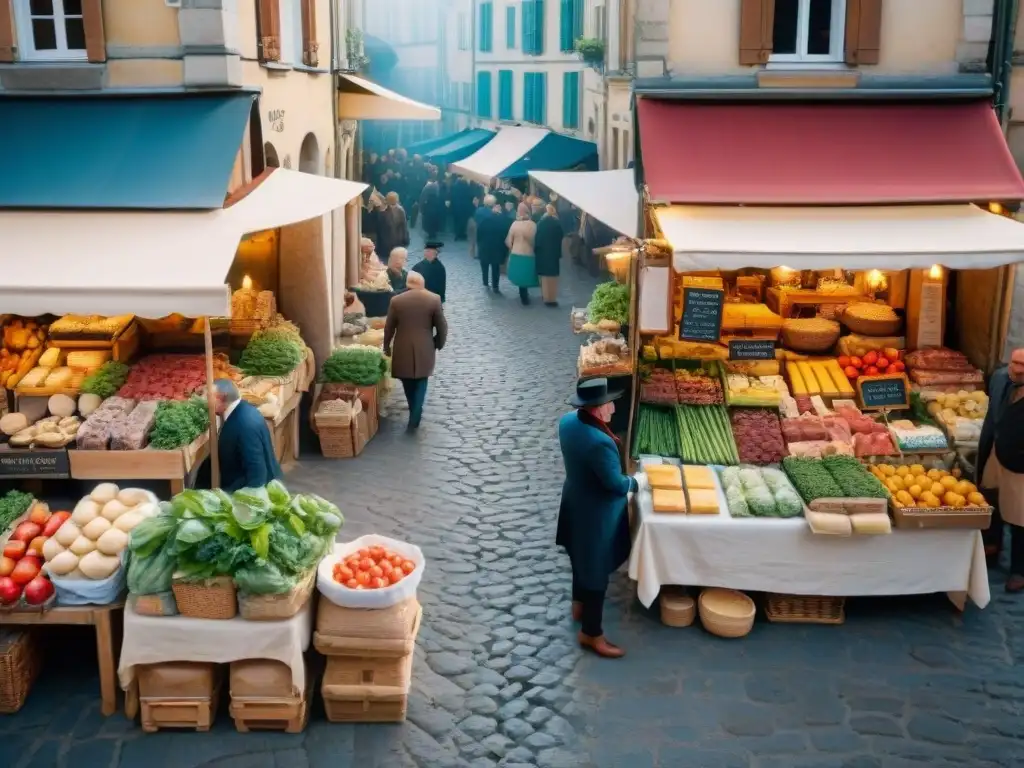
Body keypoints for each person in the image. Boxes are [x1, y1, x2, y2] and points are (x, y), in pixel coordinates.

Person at [556, 378, 639, 659]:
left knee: (578, 556)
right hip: (596, 514)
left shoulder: (568, 422)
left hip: (574, 501)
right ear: (596, 409)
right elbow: (615, 484)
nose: (613, 409)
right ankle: (591, 633)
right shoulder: (600, 443)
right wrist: (636, 483)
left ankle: (578, 604)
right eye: (609, 404)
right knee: (595, 569)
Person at [979, 348, 1024, 592]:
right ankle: (992, 545)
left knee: (1020, 516)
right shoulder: (999, 379)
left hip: (1020, 464)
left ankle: (1019, 569)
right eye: (1014, 363)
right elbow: (992, 414)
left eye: (1023, 366)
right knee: (990, 497)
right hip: (996, 451)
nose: (1017, 369)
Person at [383, 272, 447, 430]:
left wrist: (386, 346)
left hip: (402, 345)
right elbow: (442, 326)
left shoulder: (396, 301)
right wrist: (437, 343)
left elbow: (389, 327)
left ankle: (413, 410)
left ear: (408, 284)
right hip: (424, 346)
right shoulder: (434, 299)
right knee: (421, 381)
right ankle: (415, 414)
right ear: (422, 283)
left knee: (407, 381)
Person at [214, 379, 282, 493]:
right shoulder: (243, 409)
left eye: (209, 397)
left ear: (222, 398)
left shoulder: (244, 424)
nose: (205, 402)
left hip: (254, 494)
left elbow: (257, 472)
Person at [506, 202, 539, 305]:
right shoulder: (533, 225)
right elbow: (535, 241)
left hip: (516, 253)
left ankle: (523, 295)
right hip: (528, 254)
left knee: (520, 276)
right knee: (527, 275)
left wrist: (512, 249)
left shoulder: (514, 224)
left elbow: (508, 241)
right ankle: (525, 297)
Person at [535, 203, 564, 307]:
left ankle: (546, 297)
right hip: (554, 253)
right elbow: (561, 236)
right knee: (553, 277)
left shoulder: (540, 223)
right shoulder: (557, 223)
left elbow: (537, 239)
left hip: (542, 253)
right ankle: (552, 298)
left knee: (544, 277)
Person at [475, 198, 505, 293]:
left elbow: (479, 233)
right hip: (496, 247)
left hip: (484, 246)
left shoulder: (484, 220)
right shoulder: (501, 221)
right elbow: (504, 234)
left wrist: (479, 242)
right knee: (495, 267)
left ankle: (485, 282)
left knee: (484, 265)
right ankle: (495, 286)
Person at [377, 191, 410, 266]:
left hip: (388, 240)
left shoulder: (383, 210)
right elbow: (404, 226)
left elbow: (379, 226)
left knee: (387, 259)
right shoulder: (399, 209)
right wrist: (405, 238)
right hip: (395, 239)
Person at [420, 175, 444, 239]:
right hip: (434, 207)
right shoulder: (437, 187)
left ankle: (430, 233)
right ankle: (433, 233)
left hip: (428, 207)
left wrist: (422, 208)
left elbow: (422, 198)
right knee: (434, 221)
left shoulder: (427, 187)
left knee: (429, 221)